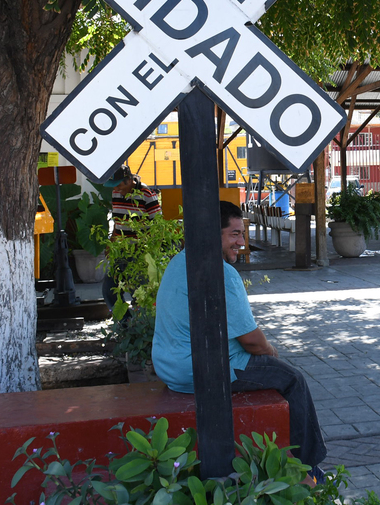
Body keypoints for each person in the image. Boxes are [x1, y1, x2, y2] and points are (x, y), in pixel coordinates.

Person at [153, 202, 327, 481]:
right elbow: (253, 342)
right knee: (293, 379)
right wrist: (270, 352)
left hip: (169, 367)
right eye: (234, 234)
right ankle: (309, 469)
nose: (242, 242)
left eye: (243, 234)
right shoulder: (221, 272)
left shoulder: (178, 261)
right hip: (201, 370)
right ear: (212, 234)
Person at [102, 164, 161, 310]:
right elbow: (117, 223)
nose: (116, 189)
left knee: (138, 292)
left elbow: (158, 225)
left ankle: (140, 321)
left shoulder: (146, 194)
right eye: (114, 186)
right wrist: (111, 243)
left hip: (140, 252)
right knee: (109, 290)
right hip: (120, 250)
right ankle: (125, 321)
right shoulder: (116, 194)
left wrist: (146, 248)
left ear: (129, 180)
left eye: (118, 185)